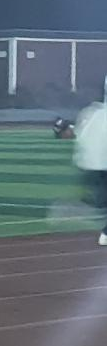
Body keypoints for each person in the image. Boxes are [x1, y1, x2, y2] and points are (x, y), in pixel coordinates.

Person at [73, 101, 107, 246]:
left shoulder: (92, 113)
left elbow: (80, 137)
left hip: (91, 165)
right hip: (101, 164)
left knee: (102, 200)